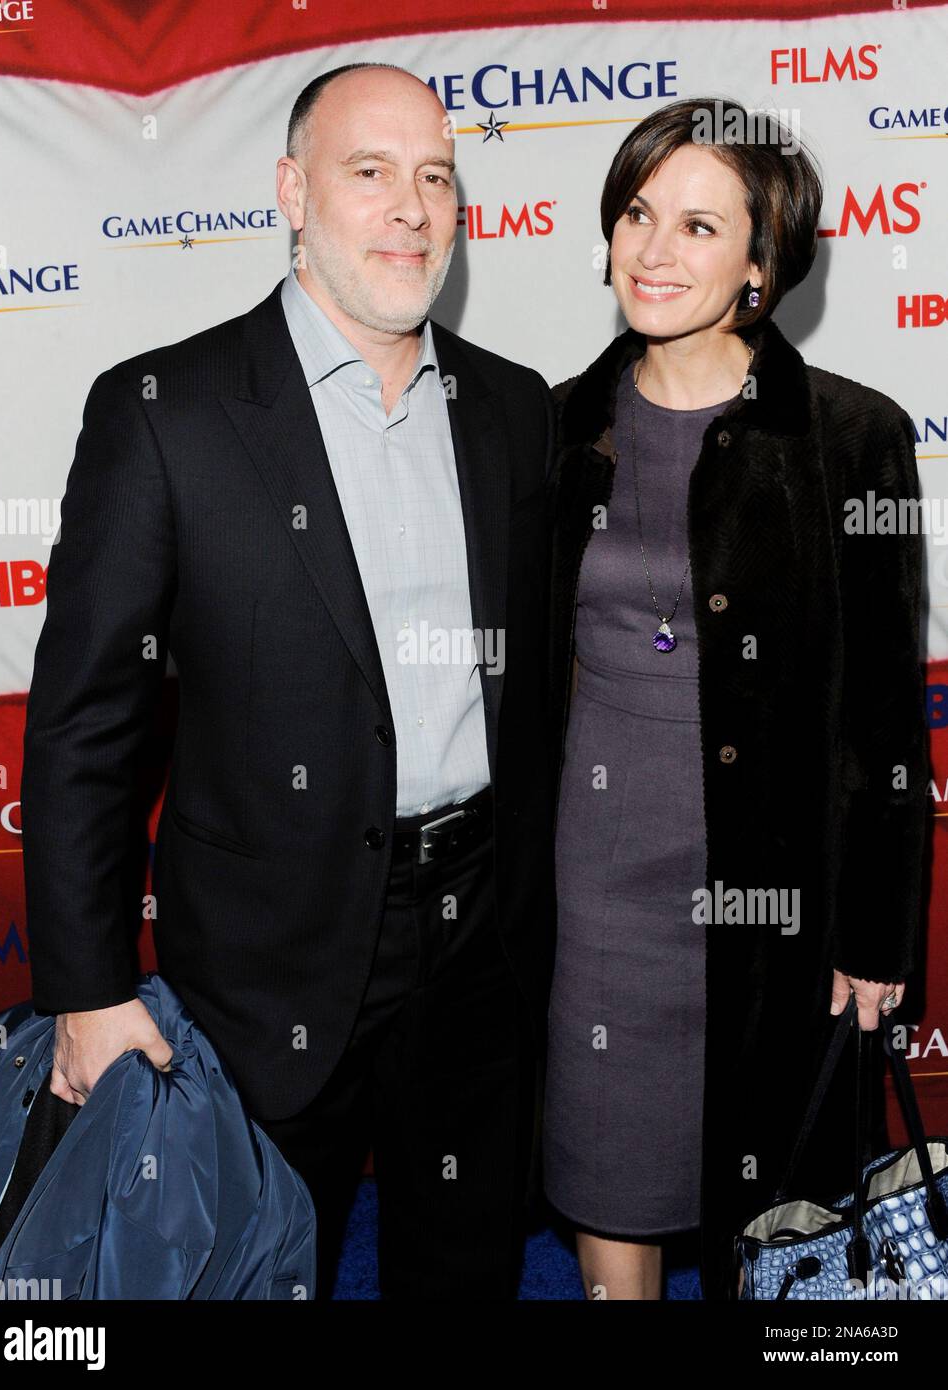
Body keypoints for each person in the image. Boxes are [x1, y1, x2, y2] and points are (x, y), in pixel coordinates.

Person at [21, 62, 558, 1300]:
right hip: (268, 962)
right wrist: (90, 990)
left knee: (464, 1266)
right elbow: (87, 726)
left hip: (478, 939)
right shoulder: (166, 413)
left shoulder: (513, 413)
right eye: (369, 172)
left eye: (435, 176)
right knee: (257, 1274)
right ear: (291, 192)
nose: (410, 208)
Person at [542, 96, 928, 1301]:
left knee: (777, 1230)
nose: (652, 251)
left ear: (762, 261)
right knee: (609, 1180)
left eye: (699, 227)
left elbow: (880, 711)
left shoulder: (847, 436)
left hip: (775, 903)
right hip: (592, 891)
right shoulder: (551, 429)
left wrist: (872, 933)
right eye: (639, 213)